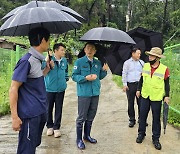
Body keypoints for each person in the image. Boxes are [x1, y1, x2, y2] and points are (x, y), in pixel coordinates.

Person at [9, 27, 50, 154]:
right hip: (29, 114)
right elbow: (13, 88)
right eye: (48, 41)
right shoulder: (26, 61)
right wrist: (15, 117)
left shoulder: (38, 60)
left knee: (33, 145)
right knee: (26, 149)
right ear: (43, 40)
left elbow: (34, 81)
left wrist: (47, 70)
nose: (49, 44)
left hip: (40, 111)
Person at [72, 43, 108, 150]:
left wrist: (104, 71)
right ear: (84, 49)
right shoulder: (79, 62)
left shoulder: (97, 62)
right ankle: (79, 139)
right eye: (88, 48)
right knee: (81, 117)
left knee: (91, 115)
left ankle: (87, 136)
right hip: (84, 93)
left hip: (95, 93)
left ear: (95, 51)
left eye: (92, 49)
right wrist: (85, 78)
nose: (90, 50)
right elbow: (74, 76)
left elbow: (99, 77)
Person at [136, 47, 170, 150]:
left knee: (156, 119)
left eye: (152, 56)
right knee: (142, 116)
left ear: (158, 58)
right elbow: (141, 79)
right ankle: (141, 134)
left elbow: (167, 83)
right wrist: (138, 89)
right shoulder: (145, 66)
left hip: (156, 97)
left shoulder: (164, 69)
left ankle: (156, 139)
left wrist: (167, 95)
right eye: (149, 55)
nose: (149, 57)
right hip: (145, 95)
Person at [43, 43, 69, 138]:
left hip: (61, 89)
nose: (63, 52)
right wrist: (47, 61)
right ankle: (49, 126)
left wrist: (65, 80)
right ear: (55, 51)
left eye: (64, 50)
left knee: (59, 108)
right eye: (62, 50)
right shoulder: (49, 60)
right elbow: (42, 70)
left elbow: (66, 72)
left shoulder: (64, 61)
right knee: (48, 108)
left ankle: (56, 127)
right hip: (49, 88)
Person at [122, 48, 144, 127]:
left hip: (139, 85)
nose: (139, 55)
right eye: (138, 53)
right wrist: (124, 84)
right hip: (130, 85)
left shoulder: (142, 63)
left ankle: (141, 119)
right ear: (133, 53)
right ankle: (132, 119)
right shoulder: (127, 63)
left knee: (141, 103)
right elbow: (124, 73)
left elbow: (145, 73)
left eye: (140, 54)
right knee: (130, 103)